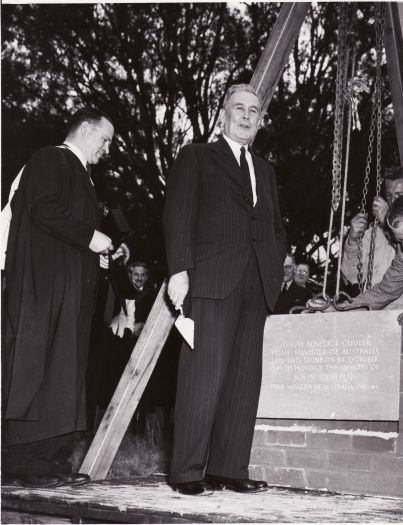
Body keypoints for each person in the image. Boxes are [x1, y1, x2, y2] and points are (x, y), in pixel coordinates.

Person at [163, 83, 287, 496]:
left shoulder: (265, 170)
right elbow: (177, 215)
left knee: (243, 380)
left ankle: (228, 468)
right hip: (212, 282)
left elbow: (273, 226)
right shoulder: (197, 156)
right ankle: (187, 472)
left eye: (255, 111)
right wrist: (179, 270)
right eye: (239, 108)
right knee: (204, 378)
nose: (248, 116)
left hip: (256, 285)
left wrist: (276, 267)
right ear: (223, 114)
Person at [3, 107, 115, 488]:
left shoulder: (81, 173)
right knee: (38, 370)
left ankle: (49, 461)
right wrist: (90, 237)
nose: (108, 149)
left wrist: (97, 253)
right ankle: (25, 464)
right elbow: (42, 209)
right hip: (42, 290)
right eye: (105, 139)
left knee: (61, 372)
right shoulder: (51, 158)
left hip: (67, 291)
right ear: (85, 129)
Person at [341, 166, 403, 309]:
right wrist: (352, 241)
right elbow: (384, 292)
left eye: (399, 195)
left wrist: (387, 222)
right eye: (389, 195)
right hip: (376, 315)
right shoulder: (373, 233)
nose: (393, 200)